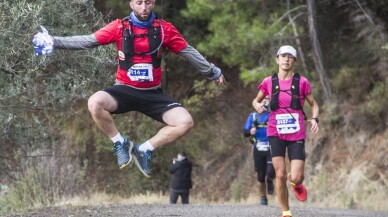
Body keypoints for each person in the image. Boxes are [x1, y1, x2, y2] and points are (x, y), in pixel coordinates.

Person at [32, 0, 226, 177]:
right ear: (131, 3)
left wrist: (212, 72)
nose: (144, 8)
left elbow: (187, 51)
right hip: (124, 90)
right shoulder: (118, 27)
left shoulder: (165, 29)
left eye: (148, 3)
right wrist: (55, 41)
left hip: (152, 94)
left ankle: (144, 149)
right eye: (139, 2)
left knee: (185, 122)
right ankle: (120, 143)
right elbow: (89, 41)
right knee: (94, 102)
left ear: (154, 3)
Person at [251, 45, 319, 217]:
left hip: (296, 133)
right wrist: (258, 105)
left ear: (294, 61)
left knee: (296, 176)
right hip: (275, 132)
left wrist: (315, 118)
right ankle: (286, 212)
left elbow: (313, 104)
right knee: (280, 174)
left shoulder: (302, 82)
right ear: (277, 59)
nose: (286, 59)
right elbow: (255, 101)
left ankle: (296, 184)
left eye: (290, 57)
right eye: (283, 56)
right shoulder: (268, 82)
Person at [243, 96, 275, 205]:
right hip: (258, 147)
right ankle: (263, 197)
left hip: (271, 147)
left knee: (270, 171)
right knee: (260, 176)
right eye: (262, 100)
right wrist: (250, 132)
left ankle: (270, 180)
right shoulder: (253, 116)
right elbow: (245, 132)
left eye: (267, 99)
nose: (264, 101)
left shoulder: (273, 115)